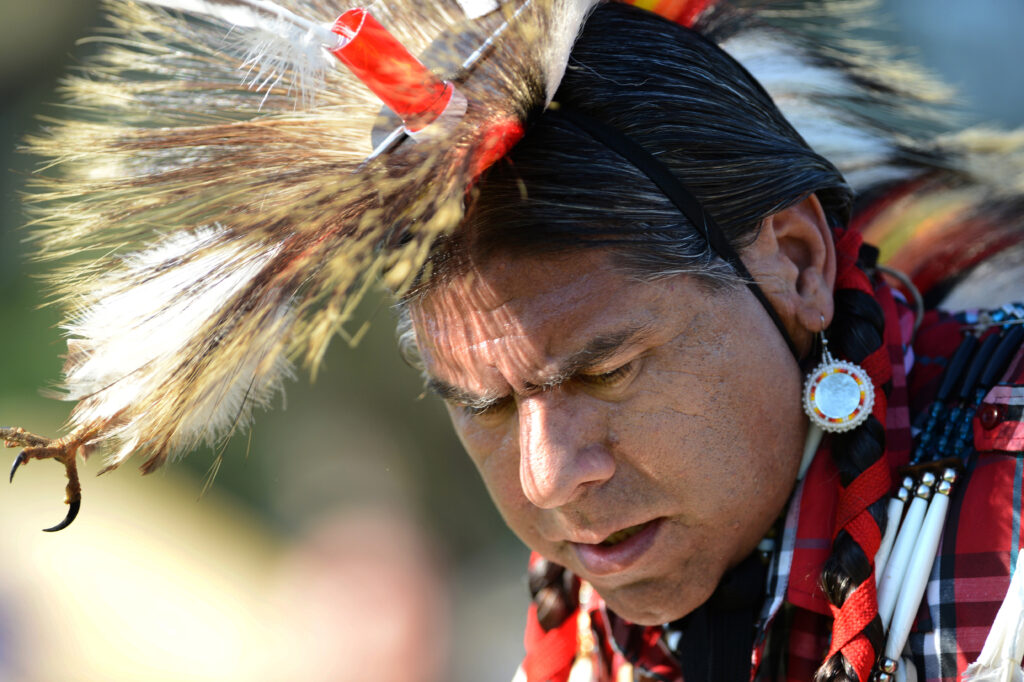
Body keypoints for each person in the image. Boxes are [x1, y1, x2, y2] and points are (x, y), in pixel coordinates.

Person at [5, 1, 1024, 681]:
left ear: (796, 262)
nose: (549, 475)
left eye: (606, 368)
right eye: (483, 405)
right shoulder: (586, 625)